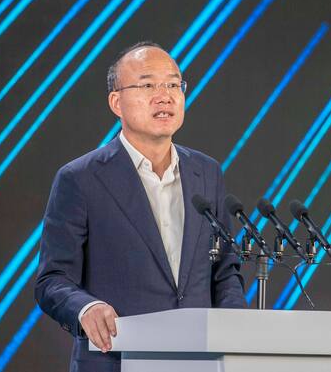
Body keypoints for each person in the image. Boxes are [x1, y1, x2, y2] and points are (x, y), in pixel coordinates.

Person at [35, 42, 246, 372]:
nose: (164, 96)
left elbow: (224, 271)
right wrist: (86, 309)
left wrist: (234, 333)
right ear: (116, 103)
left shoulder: (207, 173)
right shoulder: (80, 179)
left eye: (173, 84)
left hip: (200, 362)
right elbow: (53, 281)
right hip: (115, 360)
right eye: (148, 85)